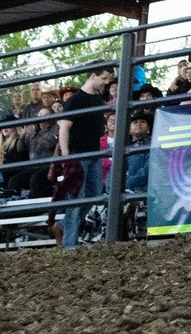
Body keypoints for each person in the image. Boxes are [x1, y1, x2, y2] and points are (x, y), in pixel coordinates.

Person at [57, 65, 115, 249]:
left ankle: (63, 226)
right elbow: (64, 128)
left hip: (93, 156)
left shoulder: (98, 99)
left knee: (95, 195)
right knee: (75, 202)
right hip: (77, 156)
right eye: (104, 79)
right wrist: (66, 157)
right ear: (93, 76)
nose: (106, 83)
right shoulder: (75, 100)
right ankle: (69, 248)